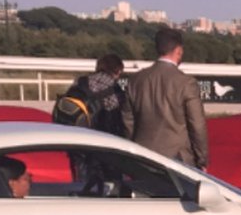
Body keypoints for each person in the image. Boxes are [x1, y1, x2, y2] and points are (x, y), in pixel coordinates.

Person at [124, 27, 208, 169]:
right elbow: (197, 125)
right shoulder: (186, 83)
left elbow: (128, 122)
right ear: (178, 50)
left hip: (142, 157)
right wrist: (202, 159)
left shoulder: (135, 80)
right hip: (177, 159)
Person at [53, 54, 128, 137]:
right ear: (118, 71)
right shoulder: (116, 88)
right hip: (98, 136)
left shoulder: (80, 81)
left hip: (69, 130)